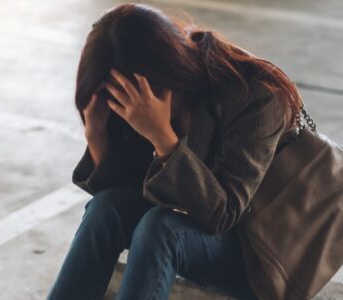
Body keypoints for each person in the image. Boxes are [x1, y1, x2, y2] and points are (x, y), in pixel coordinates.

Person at [47, 3, 302, 300]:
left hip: (258, 253)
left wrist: (162, 137)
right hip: (189, 237)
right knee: (106, 207)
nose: (126, 109)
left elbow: (224, 214)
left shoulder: (254, 96)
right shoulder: (131, 101)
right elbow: (128, 196)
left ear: (167, 73)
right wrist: (98, 136)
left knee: (162, 228)